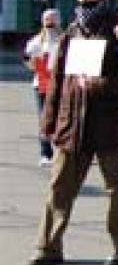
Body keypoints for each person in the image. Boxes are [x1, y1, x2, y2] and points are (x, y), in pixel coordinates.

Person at [29, 0, 118, 265]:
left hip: (108, 124)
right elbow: (57, 81)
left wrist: (98, 84)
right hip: (72, 123)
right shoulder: (71, 31)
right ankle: (48, 247)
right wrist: (49, 122)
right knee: (59, 187)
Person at [23, 9, 62, 167]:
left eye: (53, 20)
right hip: (41, 86)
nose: (50, 23)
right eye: (47, 20)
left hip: (61, 85)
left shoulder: (65, 40)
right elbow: (27, 59)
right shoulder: (36, 41)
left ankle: (62, 151)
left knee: (62, 119)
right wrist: (31, 63)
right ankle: (46, 153)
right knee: (44, 120)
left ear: (59, 21)